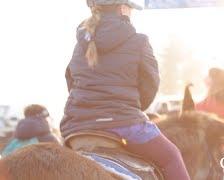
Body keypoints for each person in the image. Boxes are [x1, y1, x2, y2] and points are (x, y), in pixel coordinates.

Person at [60, 1, 190, 179]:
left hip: (76, 128)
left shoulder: (80, 45)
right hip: (124, 125)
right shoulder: (139, 41)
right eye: (130, 9)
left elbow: (70, 81)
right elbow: (151, 84)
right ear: (123, 9)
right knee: (172, 157)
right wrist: (131, 107)